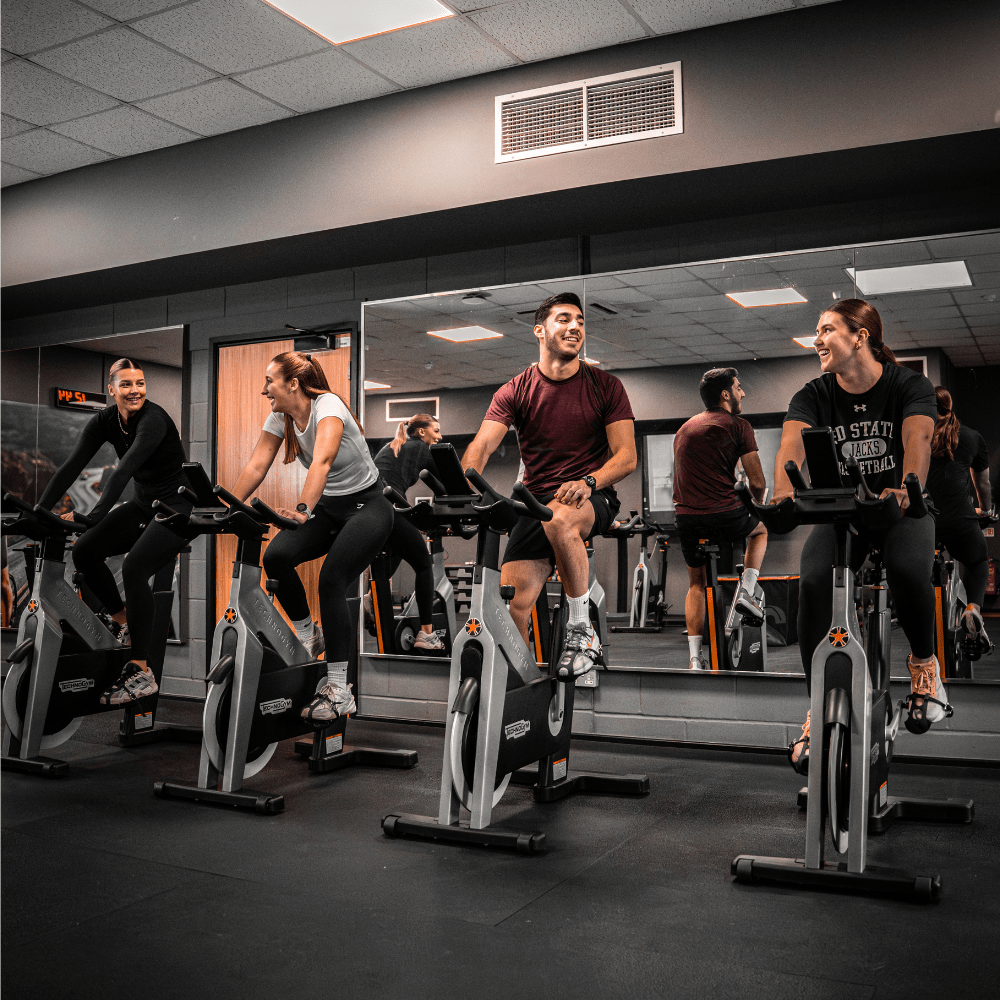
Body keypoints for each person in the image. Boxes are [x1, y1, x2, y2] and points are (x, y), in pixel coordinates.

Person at [775, 298, 942, 773]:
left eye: (827, 329)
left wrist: (910, 487)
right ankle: (817, 703)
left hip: (899, 509)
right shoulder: (814, 393)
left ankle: (925, 667)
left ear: (860, 336)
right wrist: (784, 497)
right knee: (811, 584)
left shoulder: (908, 384)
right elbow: (791, 448)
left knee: (910, 572)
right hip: (843, 514)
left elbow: (918, 440)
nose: (818, 339)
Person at [462, 292, 637, 678]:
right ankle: (520, 687)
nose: (575, 326)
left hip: (593, 494)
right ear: (539, 330)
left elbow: (626, 457)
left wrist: (590, 482)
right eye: (564, 319)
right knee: (511, 606)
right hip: (536, 499)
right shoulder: (515, 390)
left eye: (580, 320)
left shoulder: (605, 386)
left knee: (560, 519)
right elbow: (482, 444)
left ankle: (581, 631)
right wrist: (470, 481)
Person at [228, 351, 393, 724]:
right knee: (277, 557)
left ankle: (339, 690)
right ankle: (309, 633)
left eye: (269, 380)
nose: (263, 388)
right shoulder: (280, 418)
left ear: (293, 383)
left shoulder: (329, 405)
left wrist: (302, 509)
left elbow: (322, 460)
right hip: (330, 509)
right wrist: (228, 508)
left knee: (332, 580)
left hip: (368, 506)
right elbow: (257, 464)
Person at [37, 358, 191, 704]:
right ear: (112, 390)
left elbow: (122, 472)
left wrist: (96, 514)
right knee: (85, 551)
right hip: (144, 503)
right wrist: (41, 512)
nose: (134, 390)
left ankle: (142, 670)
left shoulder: (153, 420)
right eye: (126, 384)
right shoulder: (105, 421)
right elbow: (71, 466)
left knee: (136, 568)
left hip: (178, 505)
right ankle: (123, 621)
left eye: (139, 383)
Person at [672, 368, 768, 670]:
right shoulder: (739, 425)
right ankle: (747, 591)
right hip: (724, 512)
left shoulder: (684, 428)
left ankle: (694, 658)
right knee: (761, 531)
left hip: (686, 518)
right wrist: (758, 506)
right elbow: (758, 482)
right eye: (738, 388)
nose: (742, 393)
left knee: (696, 584)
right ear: (725, 394)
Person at [926, 386, 993, 656]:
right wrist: (985, 511)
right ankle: (973, 608)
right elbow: (983, 484)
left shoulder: (915, 433)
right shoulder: (970, 436)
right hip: (959, 520)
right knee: (977, 563)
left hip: (923, 519)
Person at [374, 413, 447, 654]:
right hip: (389, 505)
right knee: (423, 564)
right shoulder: (420, 448)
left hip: (374, 506)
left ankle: (369, 600)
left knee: (397, 550)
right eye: (435, 431)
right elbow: (446, 484)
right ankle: (426, 633)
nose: (440, 436)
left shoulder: (396, 444)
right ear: (422, 432)